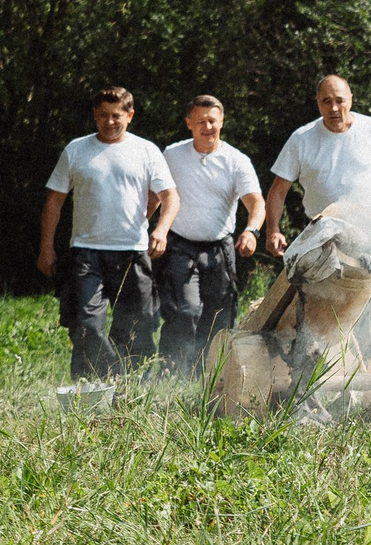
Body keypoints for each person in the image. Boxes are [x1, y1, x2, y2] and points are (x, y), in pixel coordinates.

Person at [265, 74, 371, 338]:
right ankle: (315, 374)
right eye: (327, 101)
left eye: (340, 100)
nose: (334, 108)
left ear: (351, 99)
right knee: (318, 312)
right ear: (318, 103)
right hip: (322, 238)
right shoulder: (302, 139)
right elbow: (278, 191)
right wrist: (273, 231)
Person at [39, 87, 178, 379]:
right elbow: (54, 201)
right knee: (87, 324)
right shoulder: (76, 149)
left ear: (130, 115)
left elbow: (170, 196)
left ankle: (134, 387)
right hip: (86, 252)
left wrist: (161, 230)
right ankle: (93, 385)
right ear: (94, 115)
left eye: (116, 116)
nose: (110, 122)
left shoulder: (146, 150)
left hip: (132, 251)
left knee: (137, 326)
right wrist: (46, 247)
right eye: (103, 115)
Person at [158, 96, 264, 375]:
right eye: (201, 121)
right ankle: (172, 371)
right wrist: (147, 231)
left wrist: (251, 231)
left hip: (219, 247)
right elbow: (155, 197)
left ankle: (211, 372)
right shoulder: (172, 155)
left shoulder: (236, 160)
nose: (207, 127)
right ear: (189, 124)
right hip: (180, 245)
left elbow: (256, 203)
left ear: (222, 122)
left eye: (212, 121)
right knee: (186, 310)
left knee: (220, 315)